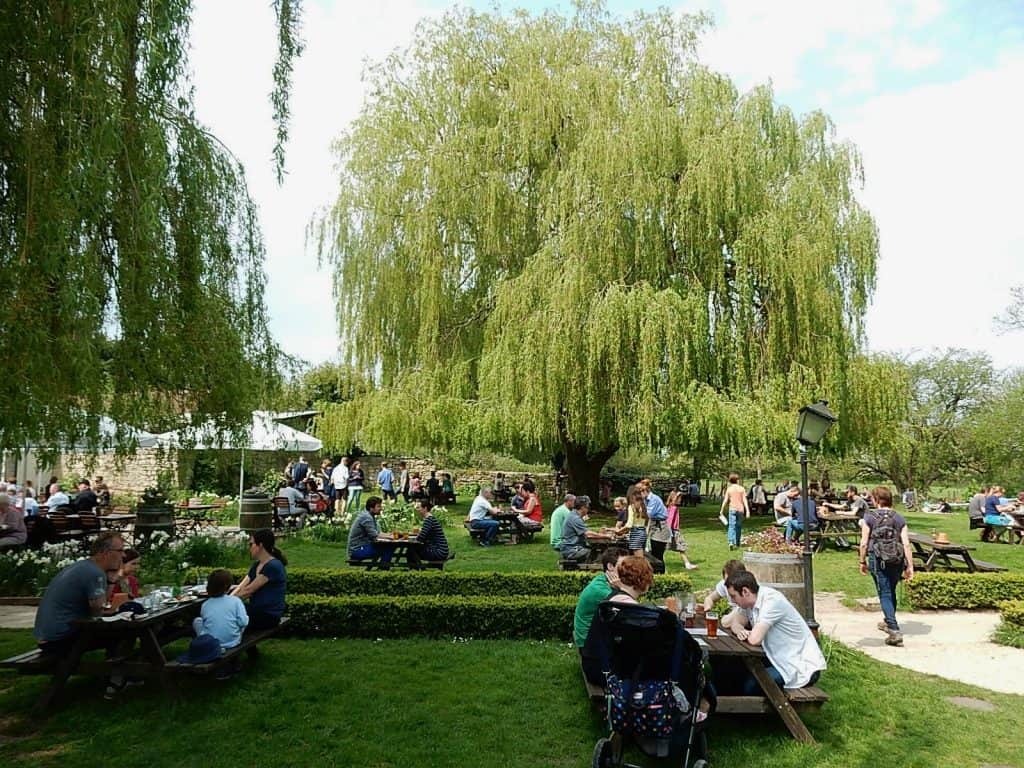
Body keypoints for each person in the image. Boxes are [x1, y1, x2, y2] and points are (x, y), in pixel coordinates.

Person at [725, 570, 826, 693]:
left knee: (751, 685)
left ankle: (753, 711)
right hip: (777, 657)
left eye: (733, 596)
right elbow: (735, 623)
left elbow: (755, 639)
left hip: (798, 665)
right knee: (730, 668)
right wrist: (740, 630)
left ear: (745, 591)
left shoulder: (771, 601)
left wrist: (746, 633)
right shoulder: (749, 602)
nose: (732, 601)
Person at [33, 532, 125, 655]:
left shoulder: (84, 566)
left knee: (117, 629)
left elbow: (99, 607)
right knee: (122, 631)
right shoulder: (94, 573)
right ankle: (116, 671)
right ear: (105, 553)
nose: (123, 555)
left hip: (47, 636)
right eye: (120, 550)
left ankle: (117, 668)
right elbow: (98, 610)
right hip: (59, 639)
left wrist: (111, 580)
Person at [859, 486, 914, 646]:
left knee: (884, 593)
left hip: (878, 558)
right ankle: (888, 620)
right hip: (897, 559)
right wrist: (910, 566)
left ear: (876, 500)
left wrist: (862, 561)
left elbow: (863, 543)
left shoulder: (869, 517)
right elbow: (906, 544)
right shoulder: (899, 518)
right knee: (890, 590)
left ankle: (894, 629)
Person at [573, 546, 628, 649]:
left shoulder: (603, 579)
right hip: (589, 644)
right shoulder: (601, 590)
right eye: (624, 565)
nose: (628, 569)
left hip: (596, 636)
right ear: (610, 566)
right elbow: (629, 609)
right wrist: (622, 587)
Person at [231, 529, 287, 630]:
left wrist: (225, 604)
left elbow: (248, 591)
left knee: (233, 616)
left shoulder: (273, 566)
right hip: (256, 612)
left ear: (260, 545)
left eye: (251, 544)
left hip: (268, 616)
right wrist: (226, 600)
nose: (250, 548)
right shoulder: (257, 565)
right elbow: (241, 587)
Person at [194, 569, 249, 650]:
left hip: (210, 643)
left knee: (197, 621)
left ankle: (204, 642)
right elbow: (243, 622)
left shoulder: (205, 605)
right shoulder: (235, 601)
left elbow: (206, 622)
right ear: (228, 586)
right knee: (245, 618)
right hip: (233, 641)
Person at [559, 495, 602, 562]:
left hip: (573, 547)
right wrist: (605, 536)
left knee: (595, 551)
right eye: (588, 507)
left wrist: (597, 534)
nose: (588, 509)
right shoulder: (575, 518)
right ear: (583, 508)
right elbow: (587, 533)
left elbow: (585, 532)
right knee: (595, 554)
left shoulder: (574, 515)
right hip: (571, 550)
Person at [409, 499, 449, 566]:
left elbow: (420, 539)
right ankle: (416, 570)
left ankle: (416, 571)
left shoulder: (429, 520)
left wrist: (408, 538)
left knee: (411, 552)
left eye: (419, 508)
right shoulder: (431, 519)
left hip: (439, 552)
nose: (417, 510)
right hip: (442, 550)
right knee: (413, 551)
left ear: (425, 508)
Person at [666, 489, 698, 570]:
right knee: (681, 547)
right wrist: (670, 532)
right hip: (673, 531)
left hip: (671, 531)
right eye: (679, 498)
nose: (681, 500)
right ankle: (687, 564)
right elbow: (670, 520)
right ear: (675, 498)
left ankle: (687, 563)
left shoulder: (670, 506)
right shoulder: (674, 508)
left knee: (679, 548)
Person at [640, 480, 671, 562]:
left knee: (658, 552)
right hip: (653, 525)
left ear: (646, 490)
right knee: (653, 550)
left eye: (640, 492)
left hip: (660, 526)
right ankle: (656, 570)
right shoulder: (645, 499)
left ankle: (660, 571)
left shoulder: (654, 499)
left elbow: (648, 514)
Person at [720, 473, 750, 549]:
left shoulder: (729, 489)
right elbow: (744, 500)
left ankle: (730, 541)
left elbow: (725, 500)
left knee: (731, 526)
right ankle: (737, 542)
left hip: (732, 509)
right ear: (737, 480)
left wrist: (722, 510)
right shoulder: (741, 489)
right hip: (740, 510)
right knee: (738, 526)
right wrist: (747, 510)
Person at [624, 487, 648, 556]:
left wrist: (619, 531)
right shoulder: (643, 506)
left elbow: (629, 525)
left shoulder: (631, 507)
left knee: (639, 559)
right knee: (641, 556)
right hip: (643, 532)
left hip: (636, 533)